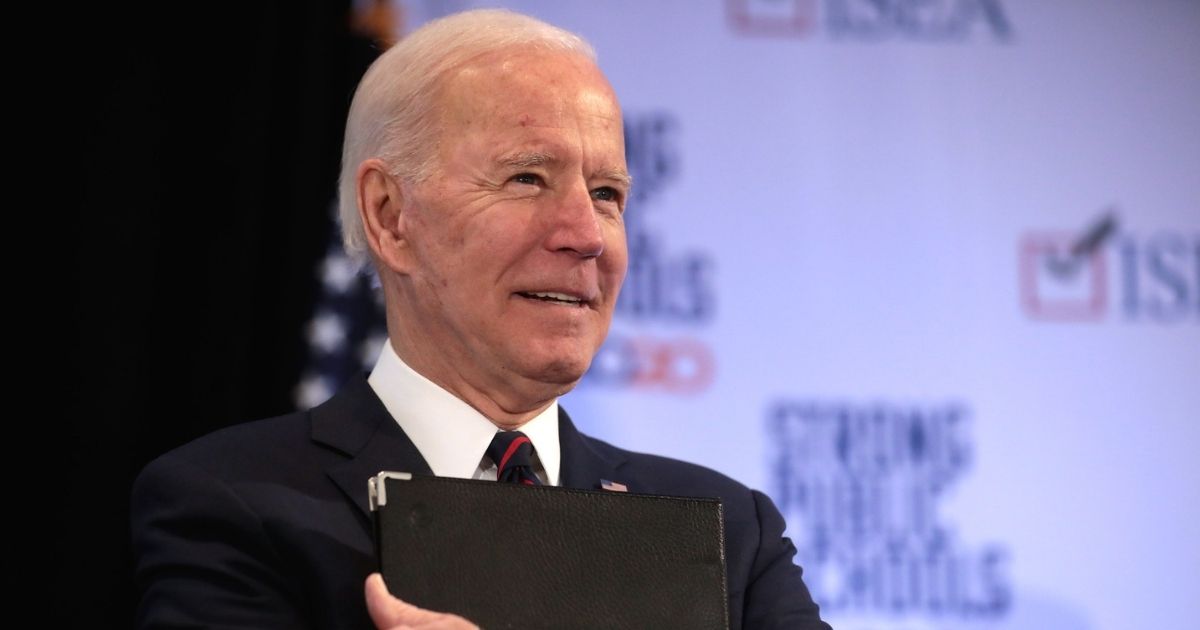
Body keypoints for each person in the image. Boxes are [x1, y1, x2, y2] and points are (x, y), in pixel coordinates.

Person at [131, 9, 831, 630]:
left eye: (607, 192)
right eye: (526, 178)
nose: (585, 234)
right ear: (390, 216)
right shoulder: (237, 505)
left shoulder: (728, 534)